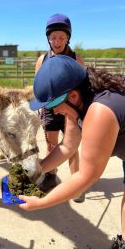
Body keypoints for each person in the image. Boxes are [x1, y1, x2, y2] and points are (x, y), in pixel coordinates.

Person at [19, 55, 125, 249]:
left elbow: (86, 176)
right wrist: (39, 170)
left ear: (72, 95)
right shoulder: (80, 102)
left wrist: (42, 203)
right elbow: (67, 146)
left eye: (54, 104)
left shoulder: (100, 111)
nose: (53, 111)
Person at [35, 13, 85, 202]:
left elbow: (84, 85)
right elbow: (38, 85)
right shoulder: (42, 59)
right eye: (53, 37)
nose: (57, 41)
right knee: (51, 144)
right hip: (50, 108)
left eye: (61, 38)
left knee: (72, 146)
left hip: (70, 108)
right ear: (48, 38)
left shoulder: (76, 58)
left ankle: (76, 183)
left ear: (68, 38)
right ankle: (50, 176)